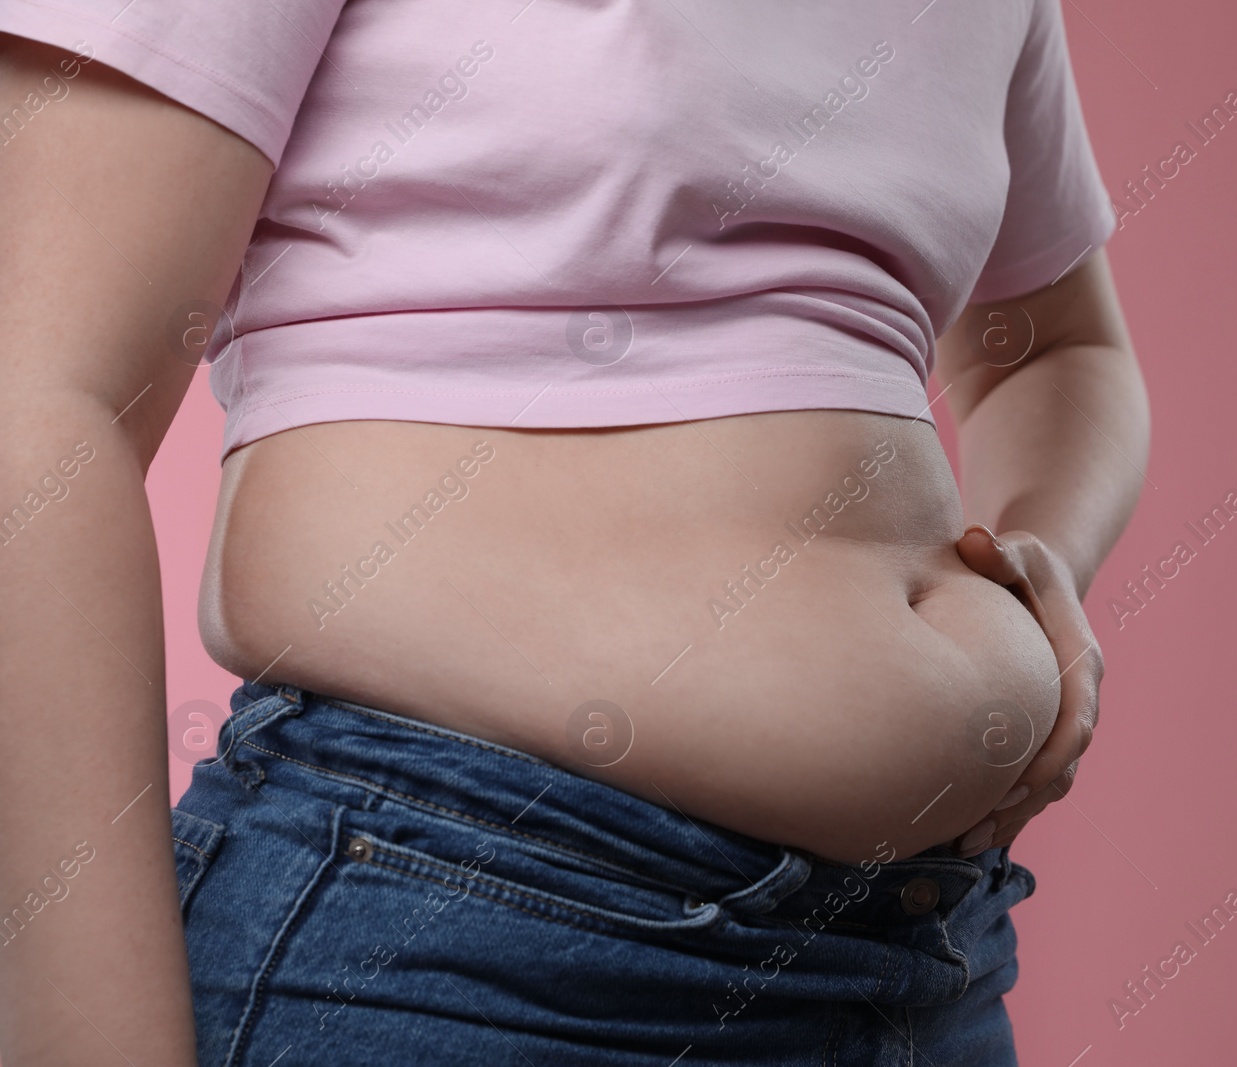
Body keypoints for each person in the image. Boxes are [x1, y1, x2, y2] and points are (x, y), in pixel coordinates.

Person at [0, 1, 1149, 1062]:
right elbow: (40, 403)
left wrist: (1036, 571)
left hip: (922, 965)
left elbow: (1058, 348)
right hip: (453, 944)